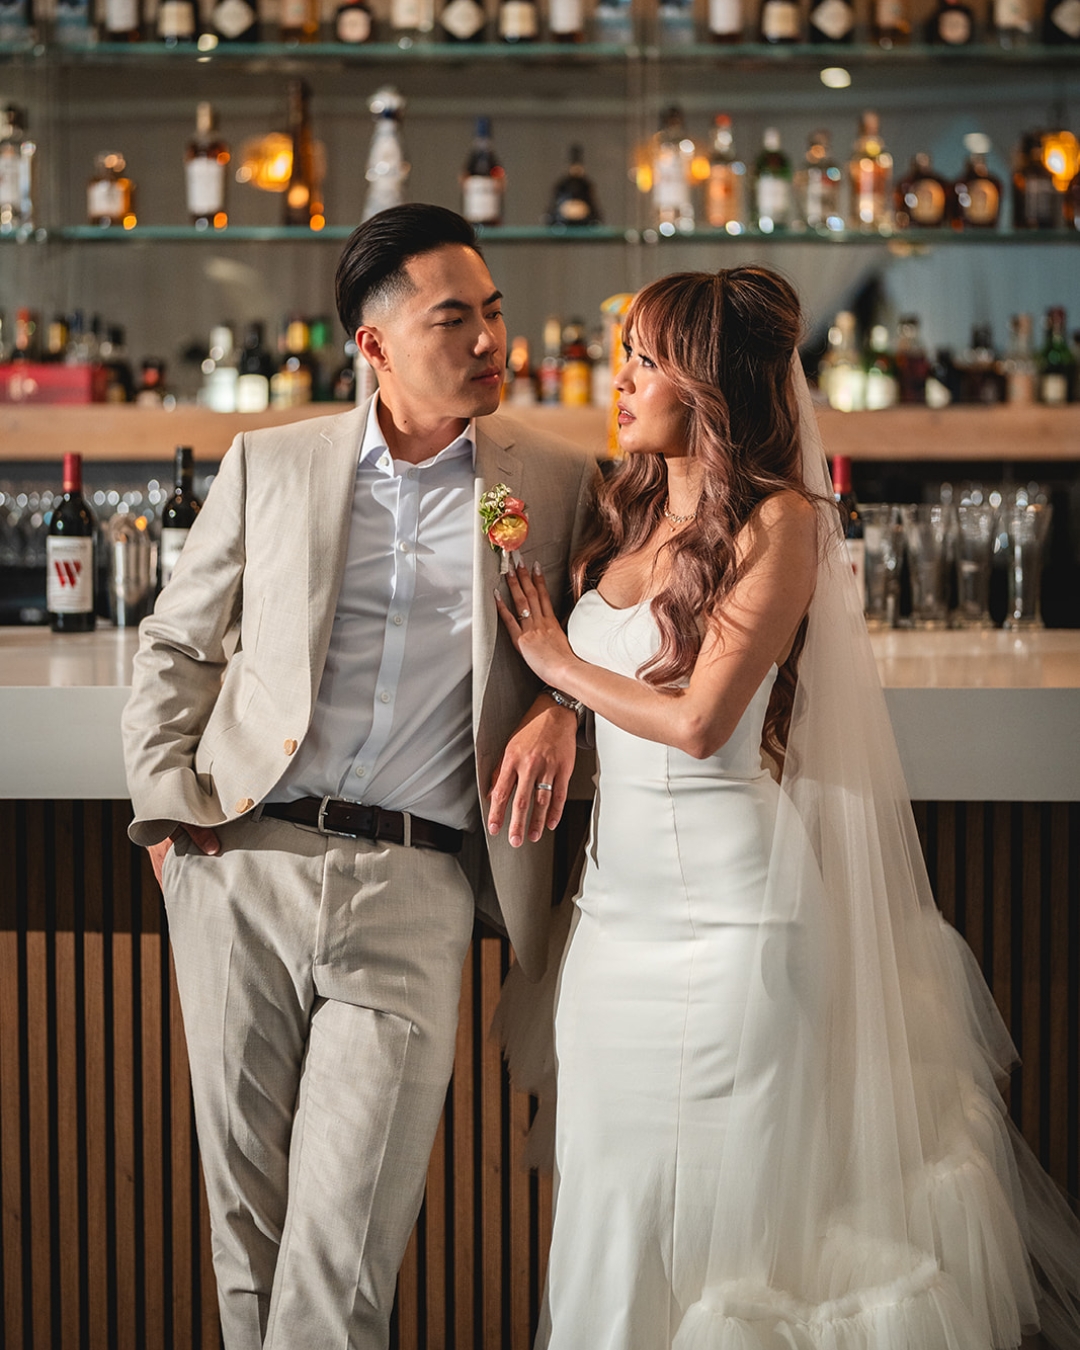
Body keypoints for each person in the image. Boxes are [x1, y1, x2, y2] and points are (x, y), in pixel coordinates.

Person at [496, 266, 1080, 1350]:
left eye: (646, 361)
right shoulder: (624, 511)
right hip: (614, 924)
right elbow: (610, 668)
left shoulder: (783, 523)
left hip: (737, 930)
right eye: (624, 356)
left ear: (710, 385)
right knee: (607, 1208)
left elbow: (699, 720)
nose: (621, 381)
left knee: (736, 1242)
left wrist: (555, 667)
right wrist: (556, 705)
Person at [121, 203, 595, 1350]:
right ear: (374, 343)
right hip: (243, 863)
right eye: (454, 319)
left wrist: (567, 709)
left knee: (340, 1258)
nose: (490, 340)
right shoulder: (273, 463)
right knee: (247, 1237)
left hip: (415, 886)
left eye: (493, 312)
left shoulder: (551, 479)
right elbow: (177, 644)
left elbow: (611, 633)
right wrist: (167, 812)